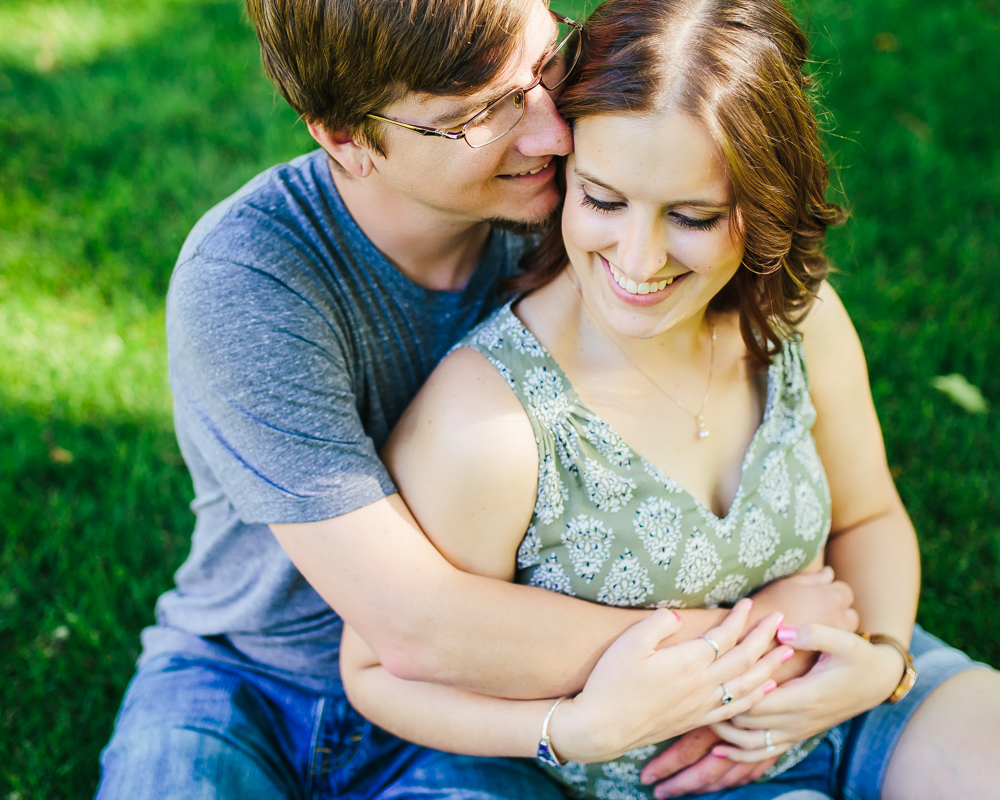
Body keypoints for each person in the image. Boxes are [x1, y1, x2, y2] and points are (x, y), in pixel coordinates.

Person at [95, 1, 866, 797]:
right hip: (251, 680)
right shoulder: (252, 282)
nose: (549, 132)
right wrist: (763, 635)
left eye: (542, 67)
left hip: (490, 700)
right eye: (480, 115)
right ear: (344, 137)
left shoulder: (590, 209)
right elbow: (416, 626)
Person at [339, 0, 1000, 798]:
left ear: (761, 207)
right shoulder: (493, 423)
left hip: (851, 696)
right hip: (671, 776)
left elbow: (870, 517)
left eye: (692, 216)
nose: (639, 259)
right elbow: (378, 672)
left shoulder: (800, 322)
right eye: (605, 201)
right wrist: (570, 730)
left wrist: (884, 661)